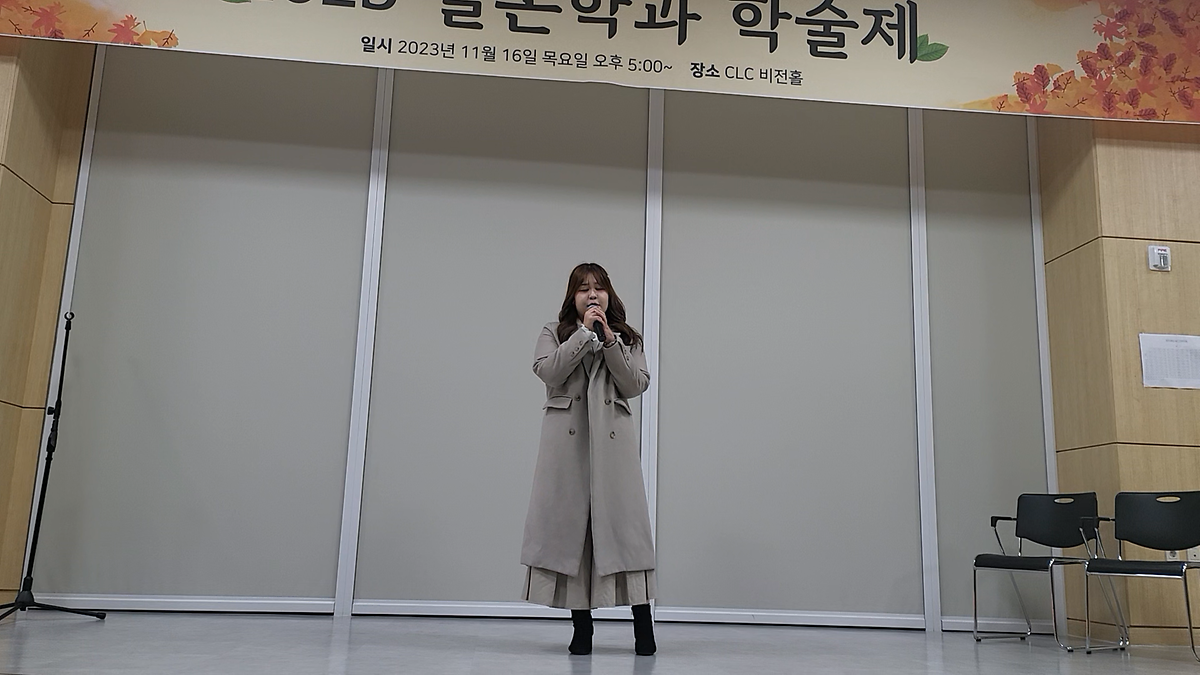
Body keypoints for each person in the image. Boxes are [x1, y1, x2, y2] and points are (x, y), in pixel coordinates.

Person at [521, 262, 656, 656]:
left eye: (599, 288)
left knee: (625, 536)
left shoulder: (627, 338)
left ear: (609, 294)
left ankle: (644, 630)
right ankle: (582, 630)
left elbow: (636, 383)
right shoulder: (555, 333)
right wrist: (583, 334)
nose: (592, 294)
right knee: (573, 538)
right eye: (583, 289)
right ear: (573, 297)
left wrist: (610, 340)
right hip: (568, 450)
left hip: (613, 450)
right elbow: (548, 371)